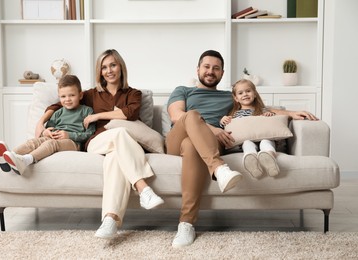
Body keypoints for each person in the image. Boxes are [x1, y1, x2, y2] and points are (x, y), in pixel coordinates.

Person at [166, 50, 318, 248]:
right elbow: (177, 115)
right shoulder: (184, 91)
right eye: (206, 67)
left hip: (209, 145)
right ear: (198, 69)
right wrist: (211, 129)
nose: (211, 71)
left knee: (192, 146)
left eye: (216, 68)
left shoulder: (230, 97)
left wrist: (291, 113)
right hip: (179, 138)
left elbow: (260, 109)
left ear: (222, 73)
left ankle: (186, 224)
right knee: (192, 116)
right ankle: (219, 169)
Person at [35, 49, 164, 239]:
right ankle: (143, 187)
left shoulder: (134, 94)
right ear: (100, 71)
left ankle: (110, 220)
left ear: (121, 67)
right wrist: (41, 122)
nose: (109, 70)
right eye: (104, 67)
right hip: (97, 141)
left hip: (125, 146)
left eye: (113, 65)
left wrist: (98, 115)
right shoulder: (91, 94)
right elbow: (60, 103)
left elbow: (130, 113)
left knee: (115, 158)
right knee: (118, 132)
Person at [0, 74, 96, 175]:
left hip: (74, 143)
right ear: (59, 97)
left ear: (80, 95)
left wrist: (69, 135)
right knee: (34, 142)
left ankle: (25, 160)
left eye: (72, 95)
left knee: (51, 144)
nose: (67, 99)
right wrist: (46, 132)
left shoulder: (87, 111)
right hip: (54, 137)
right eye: (63, 96)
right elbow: (48, 129)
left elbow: (90, 133)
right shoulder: (58, 112)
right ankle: (10, 156)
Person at [220, 79, 279, 179]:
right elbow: (226, 128)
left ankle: (269, 158)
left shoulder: (263, 110)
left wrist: (269, 115)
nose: (245, 94)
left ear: (255, 94)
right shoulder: (234, 114)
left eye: (248, 91)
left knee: (266, 141)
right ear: (236, 98)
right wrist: (223, 120)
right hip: (247, 140)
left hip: (264, 137)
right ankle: (252, 161)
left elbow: (273, 123)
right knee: (247, 143)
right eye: (240, 93)